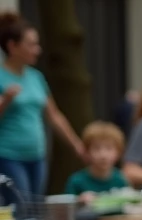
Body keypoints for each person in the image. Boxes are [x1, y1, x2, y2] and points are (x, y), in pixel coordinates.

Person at [0, 12, 87, 196]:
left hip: (37, 156)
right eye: (31, 45)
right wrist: (5, 101)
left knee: (36, 209)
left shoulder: (36, 77)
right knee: (21, 208)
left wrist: (76, 145)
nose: (37, 50)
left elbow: (53, 115)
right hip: (8, 155)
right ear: (12, 46)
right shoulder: (1, 77)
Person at [65, 121, 130, 200]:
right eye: (96, 148)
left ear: (119, 152)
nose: (103, 155)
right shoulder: (76, 182)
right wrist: (79, 200)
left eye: (109, 148)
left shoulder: (121, 180)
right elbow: (67, 207)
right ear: (87, 152)